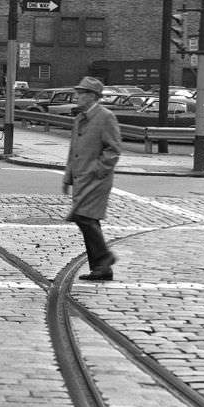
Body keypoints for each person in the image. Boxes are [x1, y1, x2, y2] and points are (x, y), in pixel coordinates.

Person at [63, 76, 122, 281]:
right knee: (86, 219)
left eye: (81, 93)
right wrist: (68, 177)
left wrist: (99, 170)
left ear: (92, 96)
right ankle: (102, 266)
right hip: (81, 178)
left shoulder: (105, 117)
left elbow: (113, 149)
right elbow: (73, 150)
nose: (77, 96)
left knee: (85, 217)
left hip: (97, 179)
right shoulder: (80, 118)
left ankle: (104, 260)